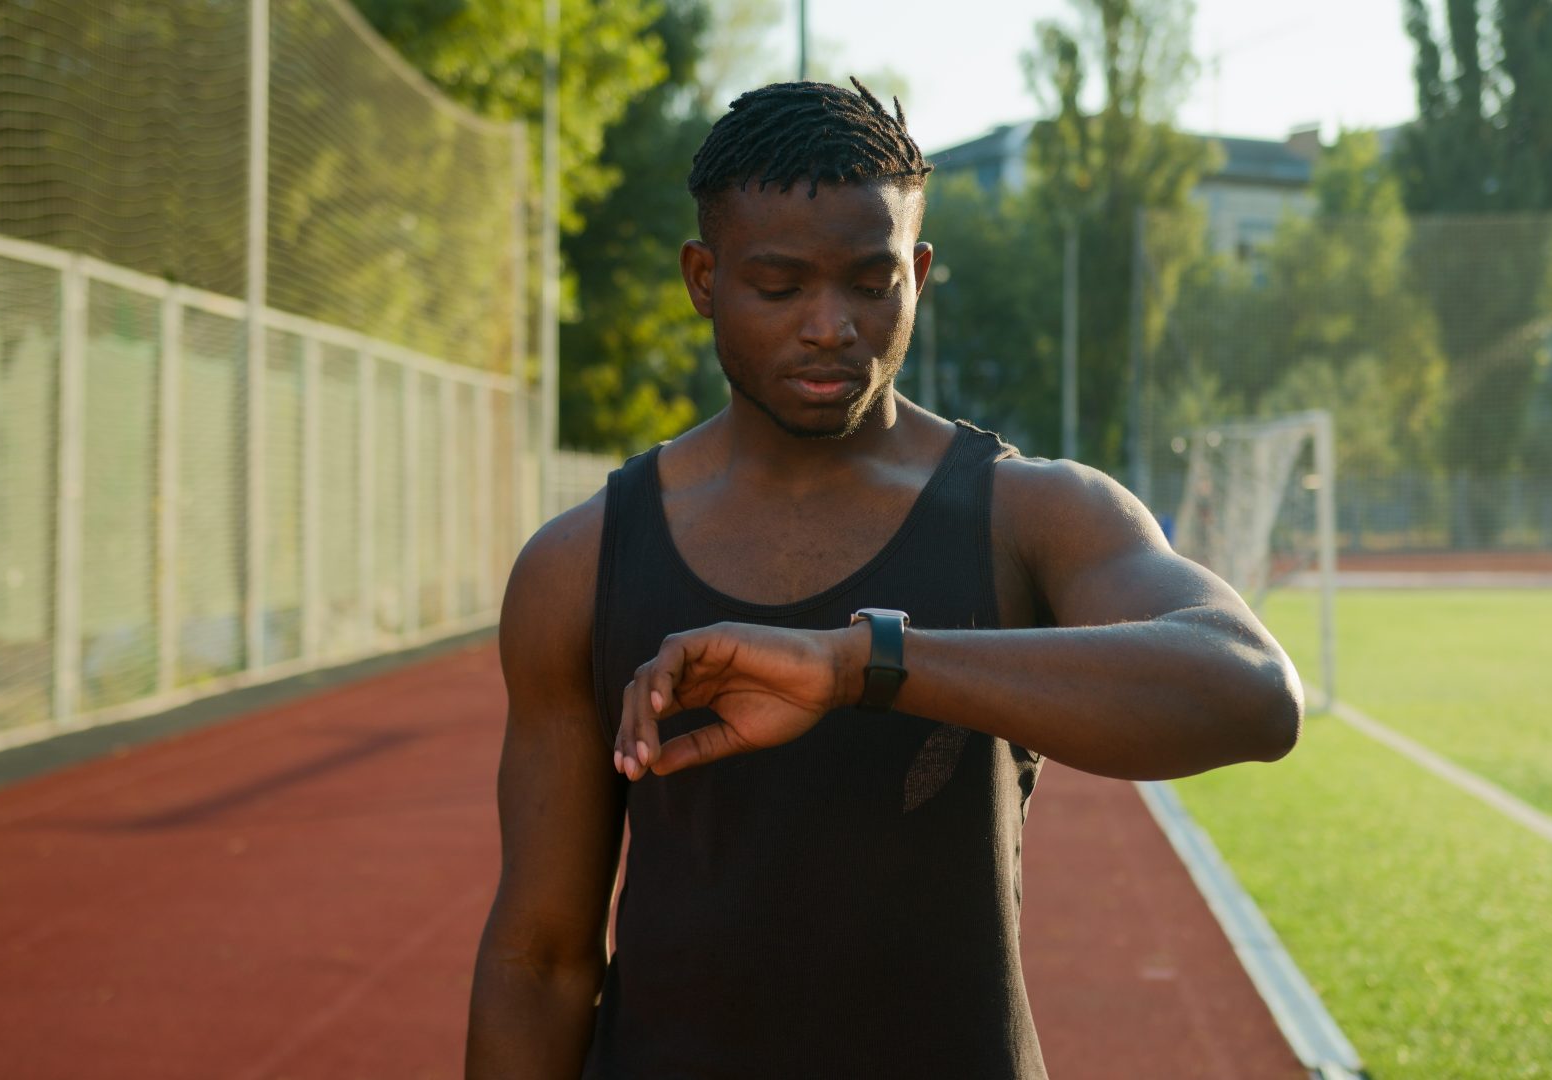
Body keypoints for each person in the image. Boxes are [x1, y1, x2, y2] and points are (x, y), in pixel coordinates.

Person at [465, 79, 1302, 1080]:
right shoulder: (580, 563)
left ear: (921, 271)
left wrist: (866, 664)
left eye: (872, 283)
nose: (830, 326)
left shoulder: (1031, 513)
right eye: (780, 288)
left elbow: (1251, 693)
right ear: (703, 277)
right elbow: (541, 961)